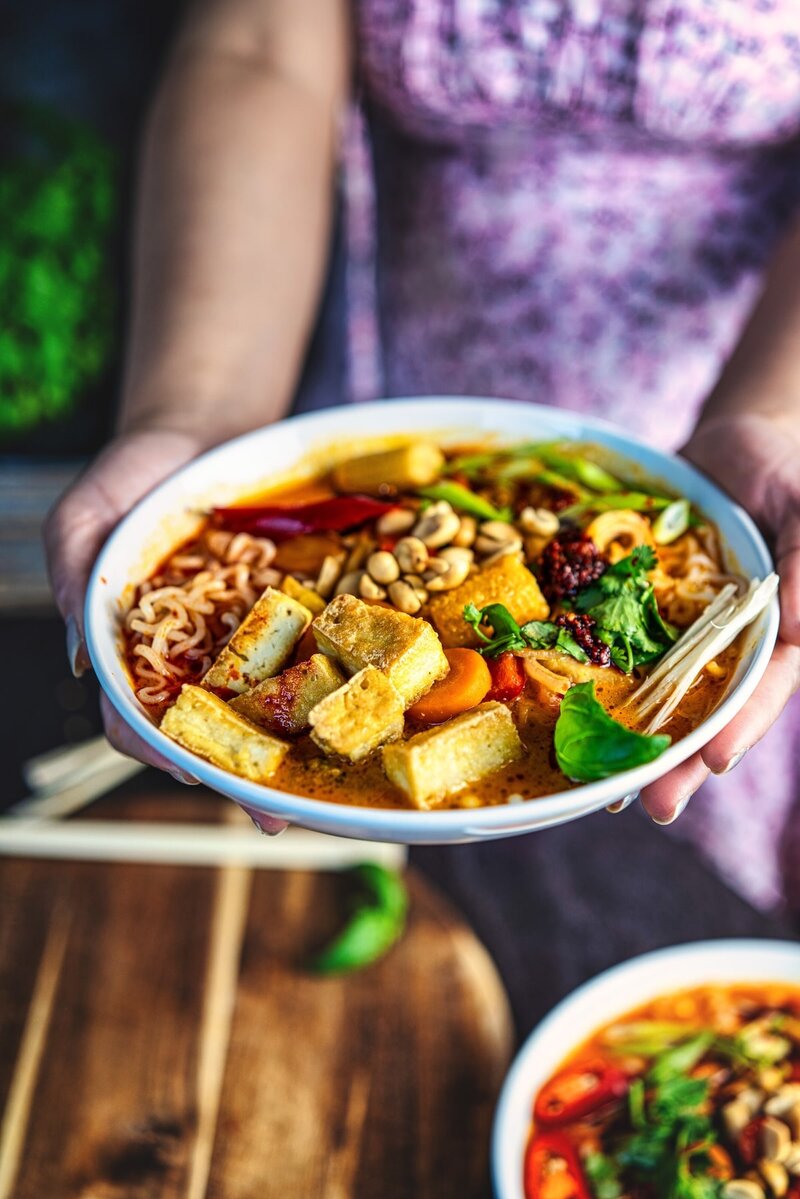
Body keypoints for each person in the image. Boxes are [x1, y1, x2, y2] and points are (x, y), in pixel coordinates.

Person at [45, 0, 800, 906]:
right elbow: (260, 50)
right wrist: (197, 415)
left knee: (646, 887)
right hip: (357, 395)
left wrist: (775, 417)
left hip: (736, 397)